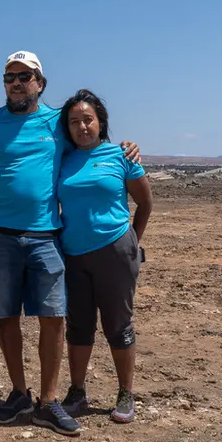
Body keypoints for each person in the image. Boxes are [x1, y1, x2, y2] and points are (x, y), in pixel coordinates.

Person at [0, 51, 140, 436]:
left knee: (53, 317)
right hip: (1, 239)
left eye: (25, 76)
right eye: (10, 76)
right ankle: (18, 393)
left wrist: (126, 147)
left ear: (40, 83)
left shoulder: (57, 122)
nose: (17, 82)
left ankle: (48, 400)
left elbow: (89, 141)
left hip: (46, 236)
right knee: (6, 317)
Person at [56, 89, 153, 423]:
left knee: (118, 324)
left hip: (115, 251)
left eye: (88, 120)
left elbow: (145, 202)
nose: (82, 127)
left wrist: (130, 242)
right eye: (74, 122)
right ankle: (77, 392)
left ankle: (126, 393)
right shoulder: (62, 159)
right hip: (73, 255)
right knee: (78, 325)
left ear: (100, 122)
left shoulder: (120, 155)